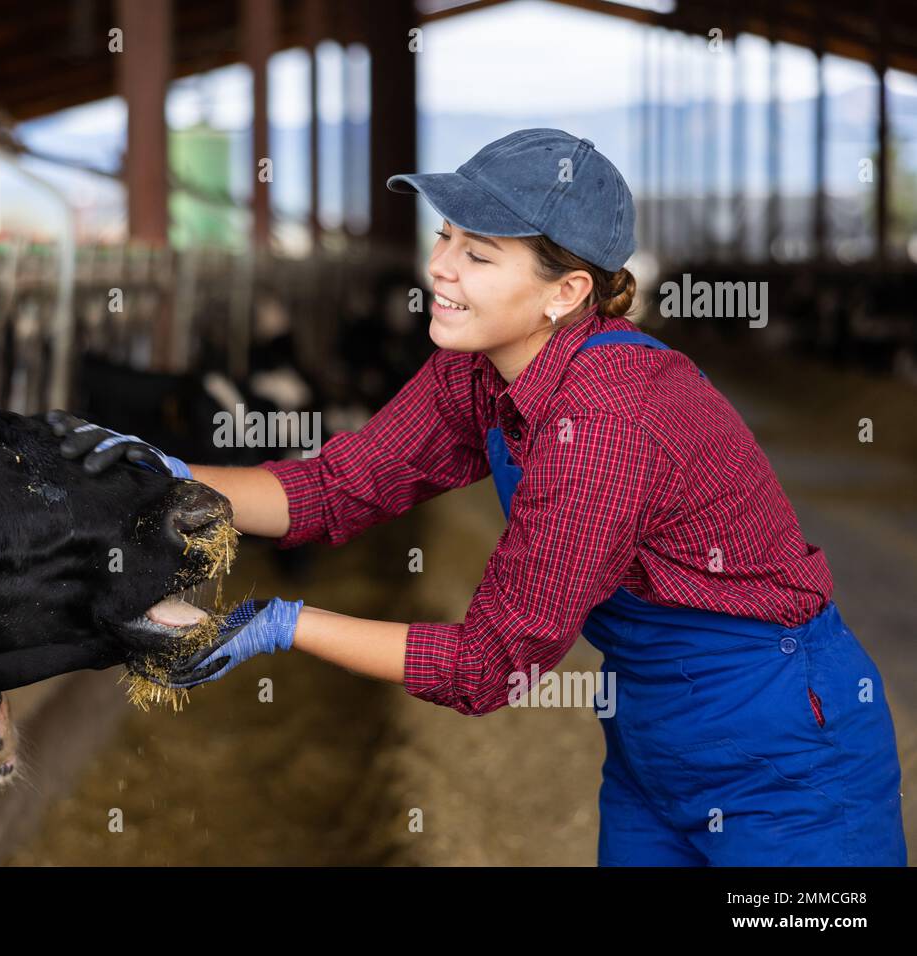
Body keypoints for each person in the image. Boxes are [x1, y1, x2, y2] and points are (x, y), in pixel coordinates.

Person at [47, 128, 907, 867]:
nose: (438, 270)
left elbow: (492, 665)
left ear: (566, 294)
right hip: (652, 737)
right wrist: (168, 478)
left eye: (478, 253)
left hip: (787, 750)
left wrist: (285, 624)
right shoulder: (477, 367)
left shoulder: (604, 417)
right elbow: (335, 487)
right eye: (446, 235)